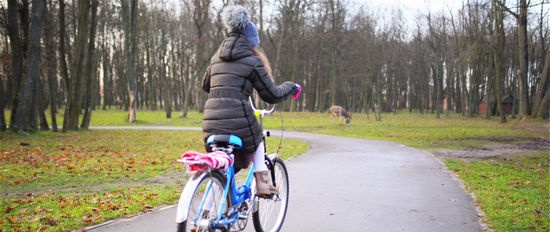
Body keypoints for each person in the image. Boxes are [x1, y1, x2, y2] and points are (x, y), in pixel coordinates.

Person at [202, 5, 301, 196]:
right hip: (238, 120)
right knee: (257, 138)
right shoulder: (252, 61)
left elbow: (206, 85)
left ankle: (209, 208)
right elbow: (271, 94)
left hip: (210, 125)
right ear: (251, 42)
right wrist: (291, 87)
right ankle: (263, 185)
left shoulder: (216, 58)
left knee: (225, 164)